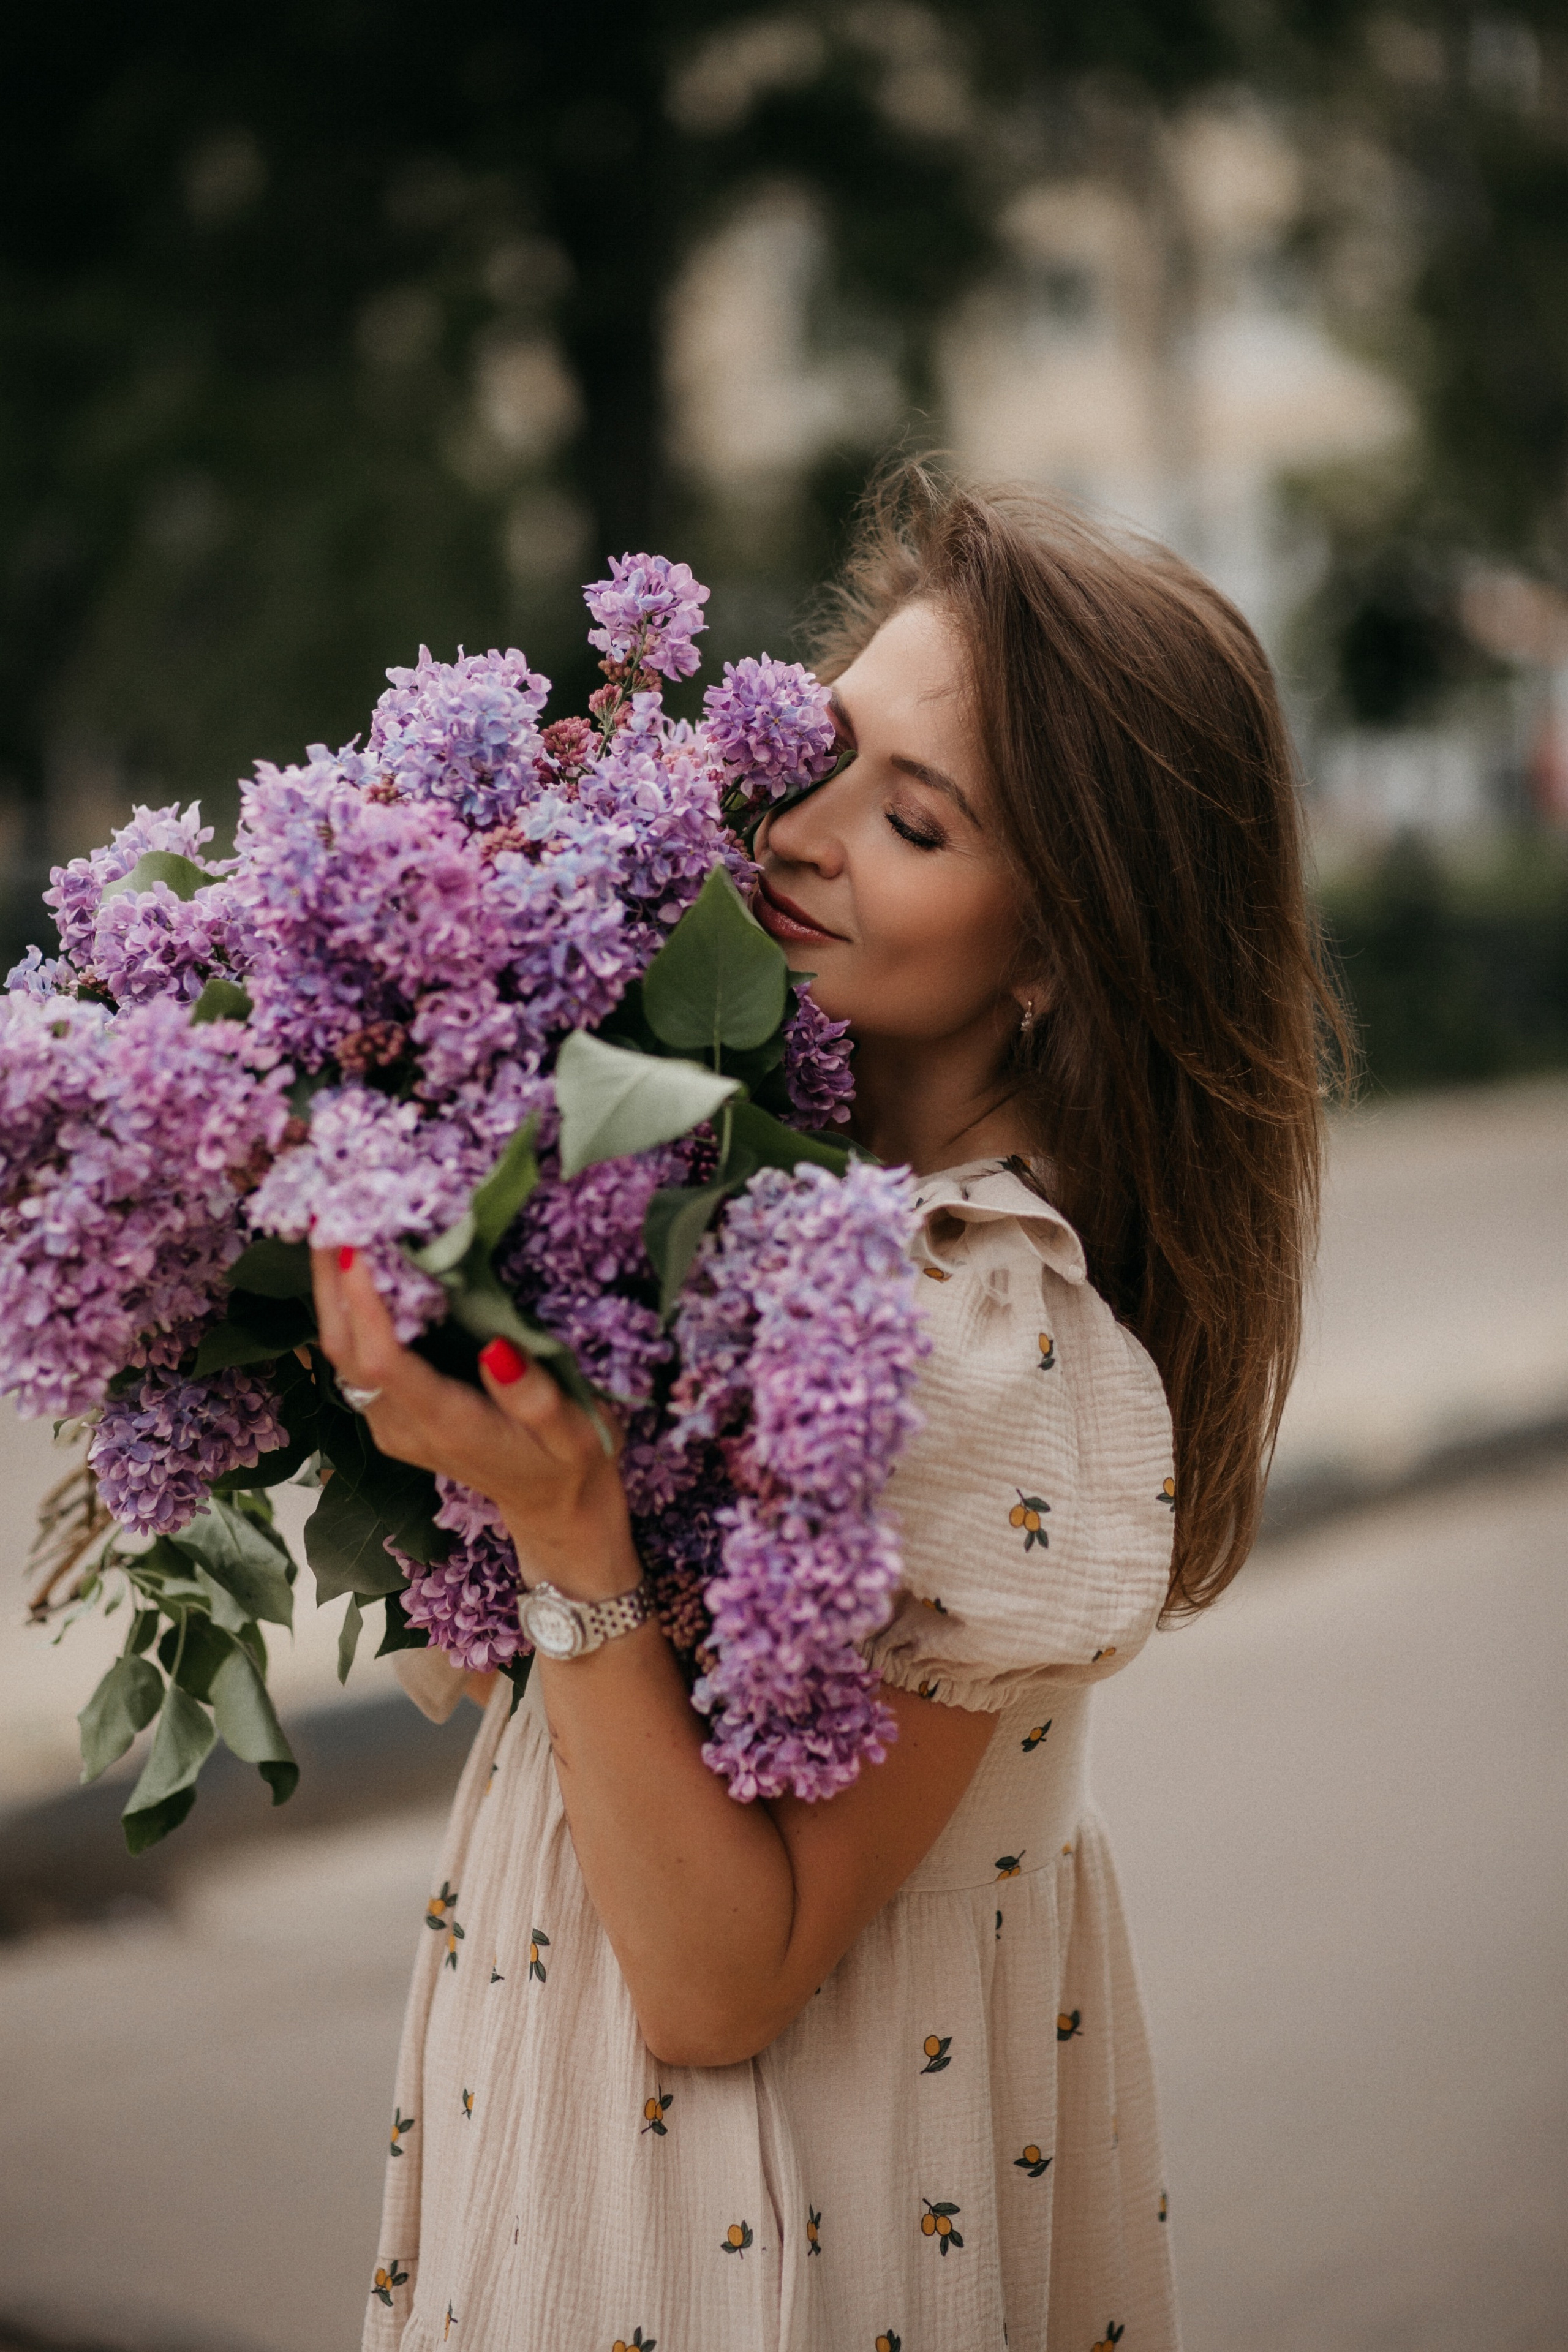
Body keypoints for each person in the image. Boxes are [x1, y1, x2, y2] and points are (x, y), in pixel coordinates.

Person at [317, 465, 1344, 2352]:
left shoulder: (980, 1337)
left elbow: (723, 1983)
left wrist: (564, 1532)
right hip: (567, 2108)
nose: (798, 831)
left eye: (917, 821)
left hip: (760, 2202)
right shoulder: (721, 1166)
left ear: (1058, 950)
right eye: (824, 752)